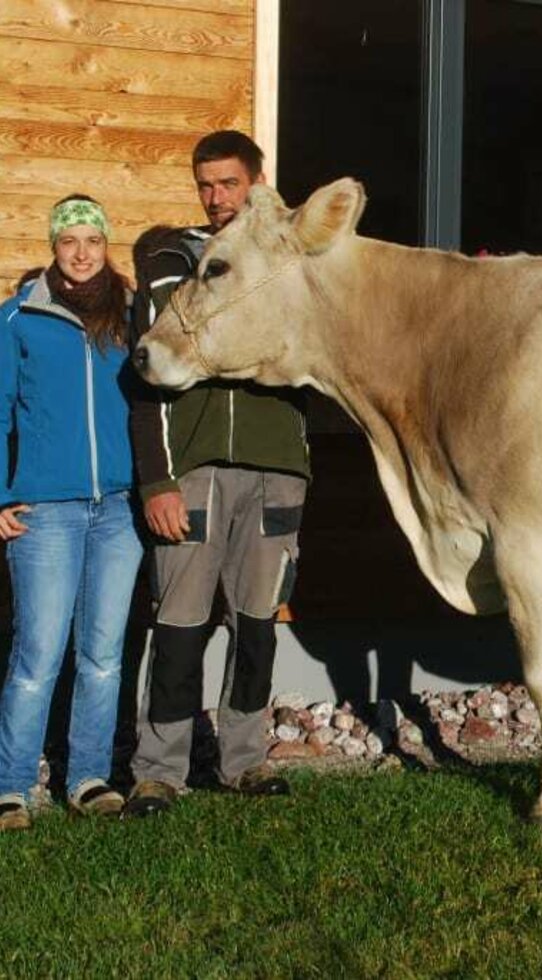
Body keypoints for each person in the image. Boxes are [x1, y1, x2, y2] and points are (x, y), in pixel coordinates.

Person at [123, 131, 310, 817]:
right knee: (178, 623)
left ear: (257, 180)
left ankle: (245, 761)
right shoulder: (174, 266)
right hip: (194, 473)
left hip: (277, 471)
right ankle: (159, 772)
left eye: (229, 183)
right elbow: (145, 384)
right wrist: (157, 482)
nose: (216, 197)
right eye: (206, 184)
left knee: (257, 623)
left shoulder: (291, 267)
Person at [0, 195, 144, 831]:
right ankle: (11, 785)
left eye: (93, 239)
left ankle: (87, 777)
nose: (82, 253)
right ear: (53, 247)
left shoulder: (131, 316)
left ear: (106, 245)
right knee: (37, 653)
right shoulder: (19, 318)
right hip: (47, 512)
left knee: (105, 652)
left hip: (118, 510)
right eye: (69, 241)